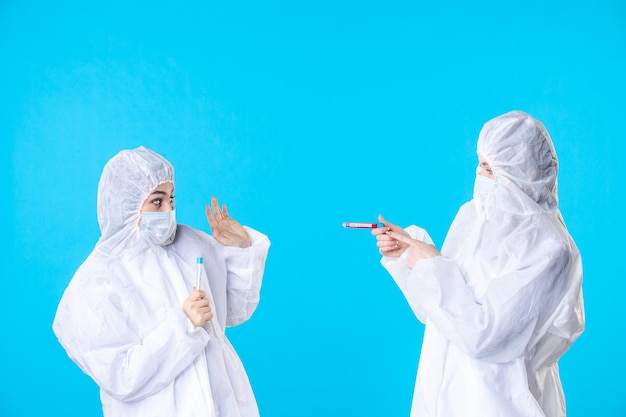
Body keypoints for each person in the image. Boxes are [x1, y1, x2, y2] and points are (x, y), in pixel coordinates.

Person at [372, 111, 584, 417]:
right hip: (439, 398)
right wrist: (409, 253)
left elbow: (484, 336)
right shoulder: (473, 215)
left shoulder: (549, 250)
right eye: (479, 163)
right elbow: (439, 314)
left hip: (499, 404)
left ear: (522, 173)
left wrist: (429, 263)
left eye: (488, 167)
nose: (478, 174)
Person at [53, 146, 270, 417]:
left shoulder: (192, 245)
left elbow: (234, 312)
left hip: (224, 406)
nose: (169, 209)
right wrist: (184, 325)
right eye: (157, 201)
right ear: (125, 204)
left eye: (172, 199)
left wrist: (240, 250)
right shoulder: (95, 283)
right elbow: (121, 377)